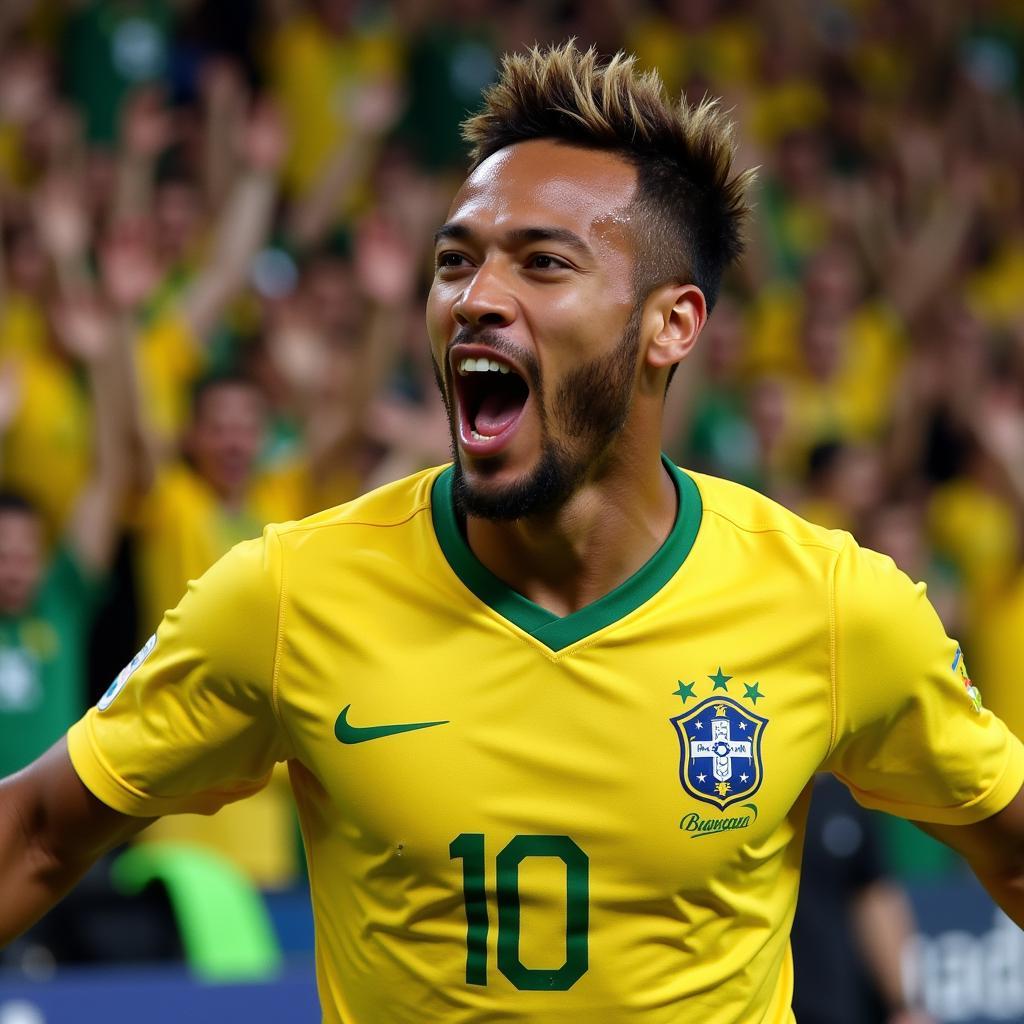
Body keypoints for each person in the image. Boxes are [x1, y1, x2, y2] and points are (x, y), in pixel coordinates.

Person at [1, 43, 1022, 1023]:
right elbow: (38, 836)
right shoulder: (286, 595)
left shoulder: (833, 605)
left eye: (542, 263)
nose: (475, 299)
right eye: (456, 261)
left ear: (671, 324)